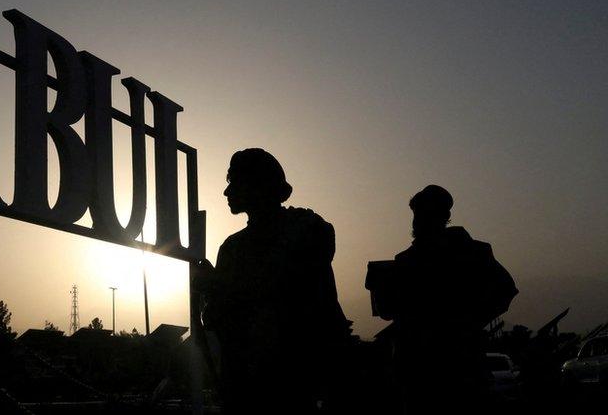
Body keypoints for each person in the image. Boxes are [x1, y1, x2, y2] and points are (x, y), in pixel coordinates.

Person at [197, 148, 348, 414]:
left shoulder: (305, 230)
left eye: (233, 182)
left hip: (287, 377)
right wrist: (211, 289)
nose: (226, 192)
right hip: (250, 380)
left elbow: (276, 293)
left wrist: (216, 287)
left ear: (257, 186)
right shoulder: (234, 247)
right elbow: (222, 319)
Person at [382, 185, 518, 415]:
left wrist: (468, 321)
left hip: (457, 366)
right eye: (416, 215)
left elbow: (505, 289)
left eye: (423, 214)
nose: (416, 222)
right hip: (419, 368)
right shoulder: (406, 260)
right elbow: (389, 310)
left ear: (441, 217)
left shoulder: (471, 252)